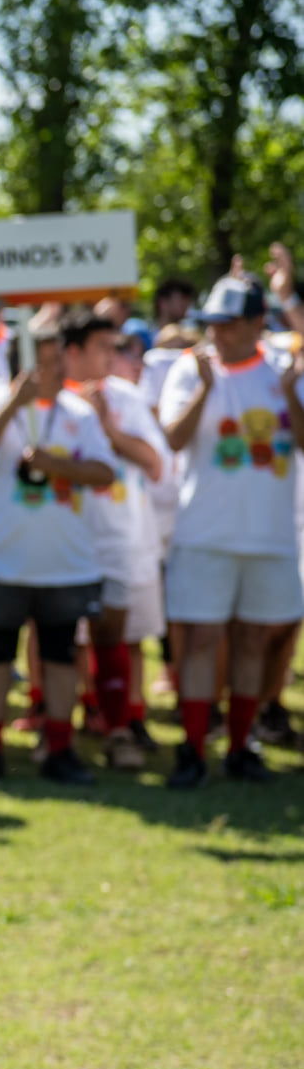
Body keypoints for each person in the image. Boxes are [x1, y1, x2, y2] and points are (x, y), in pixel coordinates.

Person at [0, 314, 117, 785]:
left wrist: (57, 466)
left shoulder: (78, 413)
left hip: (63, 563)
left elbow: (106, 474)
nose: (54, 373)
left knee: (60, 655)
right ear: (19, 369)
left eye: (56, 363)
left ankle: (60, 748)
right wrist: (13, 405)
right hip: (0, 559)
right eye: (44, 365)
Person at [158, 275, 304, 787]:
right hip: (204, 534)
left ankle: (241, 747)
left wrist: (290, 393)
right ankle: (194, 749)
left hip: (269, 537)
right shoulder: (189, 369)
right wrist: (204, 387)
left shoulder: (286, 370)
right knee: (199, 640)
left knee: (252, 641)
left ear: (258, 322)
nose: (220, 334)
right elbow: (173, 440)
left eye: (232, 324)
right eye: (215, 324)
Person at [63, 310, 169, 771]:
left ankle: (124, 722)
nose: (114, 357)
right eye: (103, 347)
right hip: (64, 539)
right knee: (63, 638)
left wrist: (109, 429)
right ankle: (67, 724)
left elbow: (155, 462)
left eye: (116, 347)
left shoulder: (126, 397)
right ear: (74, 352)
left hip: (121, 538)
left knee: (121, 634)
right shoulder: (49, 402)